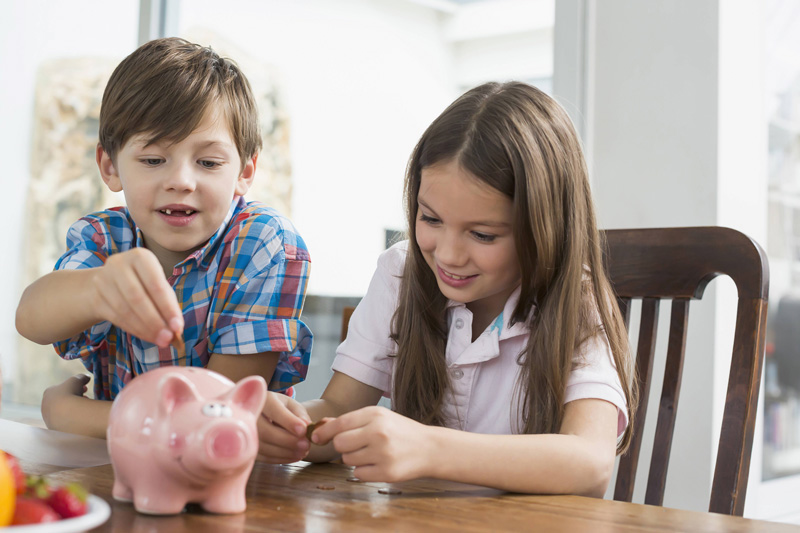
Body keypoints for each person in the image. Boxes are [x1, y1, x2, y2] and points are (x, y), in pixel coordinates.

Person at [258, 81, 637, 496]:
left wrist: (430, 449)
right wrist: (296, 428)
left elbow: (590, 462)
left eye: (483, 234)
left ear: (545, 227)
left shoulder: (577, 299)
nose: (449, 255)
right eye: (431, 219)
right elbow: (337, 409)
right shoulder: (401, 273)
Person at [15, 37, 312, 440]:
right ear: (110, 166)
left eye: (208, 162)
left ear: (244, 171)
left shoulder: (264, 244)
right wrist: (98, 289)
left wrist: (68, 415)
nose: (181, 181)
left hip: (232, 484)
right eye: (153, 160)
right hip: (116, 470)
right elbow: (30, 319)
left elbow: (209, 420)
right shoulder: (104, 237)